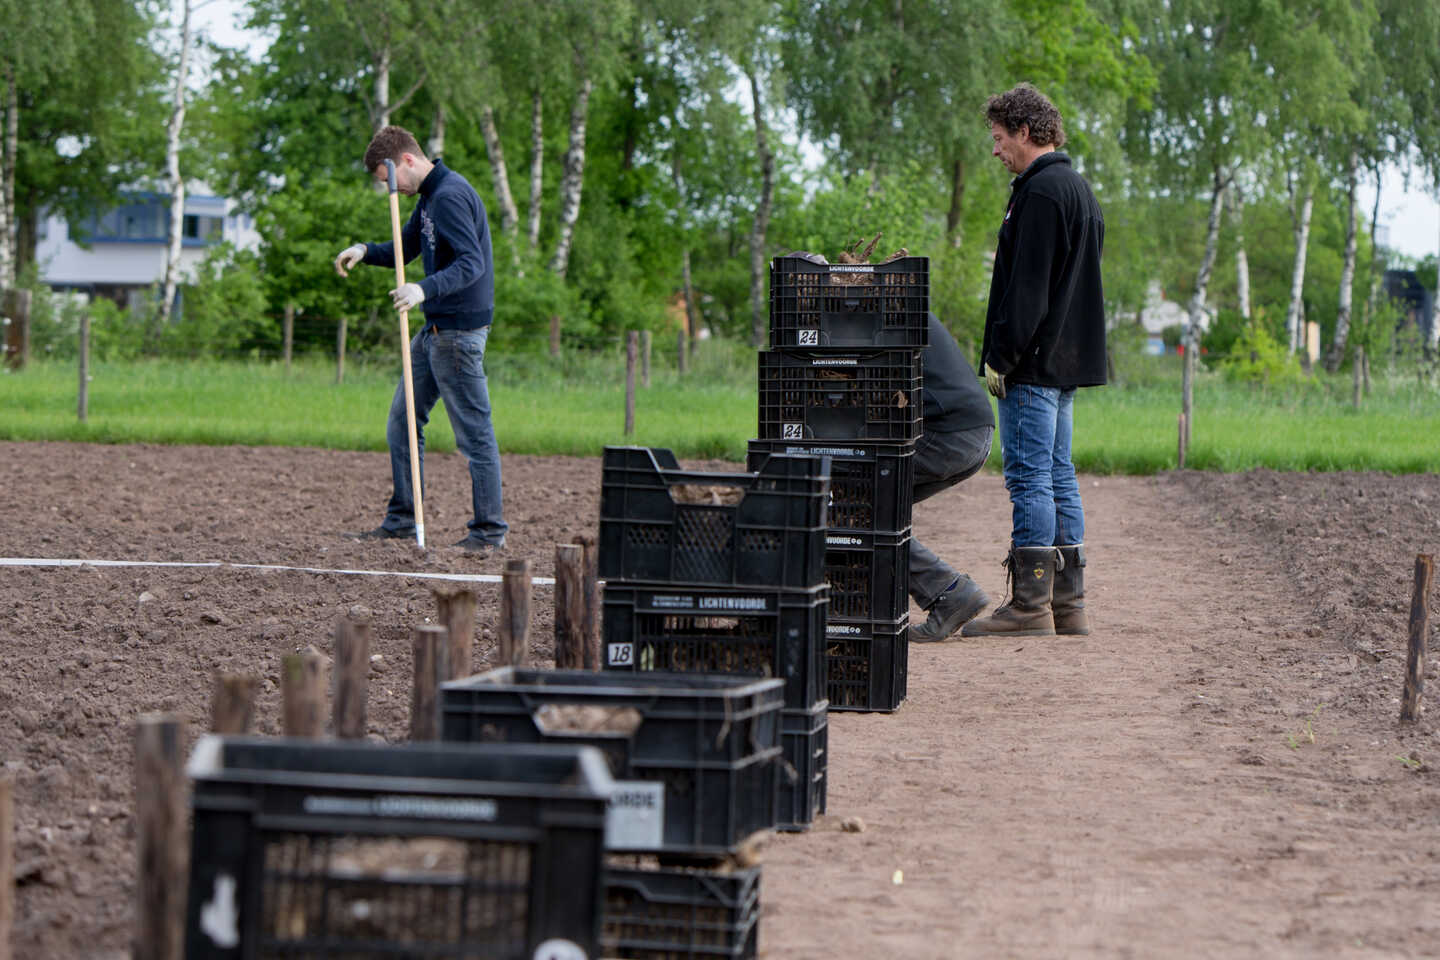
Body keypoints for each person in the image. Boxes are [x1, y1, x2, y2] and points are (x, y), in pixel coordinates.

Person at [960, 83, 1106, 639]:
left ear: (1025, 131)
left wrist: (1001, 355)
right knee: (1058, 474)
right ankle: (1070, 607)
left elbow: (1028, 289)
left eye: (999, 139)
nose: (995, 150)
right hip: (1065, 361)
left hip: (1034, 363)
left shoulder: (1040, 193)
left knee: (1028, 477)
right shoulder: (1080, 191)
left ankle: (1028, 606)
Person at [333, 125, 508, 554]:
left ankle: (487, 533)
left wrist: (423, 289)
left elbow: (472, 264)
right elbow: (405, 247)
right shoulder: (429, 197)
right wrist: (365, 250)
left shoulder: (449, 196)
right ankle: (403, 520)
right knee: (402, 423)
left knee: (474, 436)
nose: (388, 188)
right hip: (433, 332)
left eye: (387, 179)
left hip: (459, 333)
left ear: (406, 161)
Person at [908, 312, 996, 642]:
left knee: (856, 506)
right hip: (972, 431)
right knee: (872, 510)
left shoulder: (864, 318)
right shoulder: (895, 301)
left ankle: (951, 592)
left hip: (949, 435)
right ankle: (949, 594)